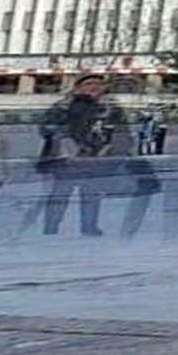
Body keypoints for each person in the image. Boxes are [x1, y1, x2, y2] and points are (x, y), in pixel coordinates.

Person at [34, 77, 121, 237]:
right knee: (61, 194)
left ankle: (89, 227)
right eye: (89, 84)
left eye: (98, 84)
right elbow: (47, 128)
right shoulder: (63, 106)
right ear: (77, 88)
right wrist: (73, 142)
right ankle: (51, 228)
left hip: (95, 159)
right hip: (67, 159)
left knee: (91, 194)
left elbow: (119, 132)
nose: (94, 87)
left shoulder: (109, 107)